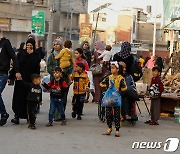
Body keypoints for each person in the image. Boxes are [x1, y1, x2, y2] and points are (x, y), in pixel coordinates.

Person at [11, 38, 41, 124]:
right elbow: (17, 65)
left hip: (30, 81)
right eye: (27, 46)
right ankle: (17, 116)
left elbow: (35, 65)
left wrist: (31, 55)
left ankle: (30, 116)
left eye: (31, 46)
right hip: (21, 80)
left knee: (30, 100)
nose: (28, 47)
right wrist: (12, 76)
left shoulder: (36, 55)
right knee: (18, 98)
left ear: (34, 46)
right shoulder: (21, 54)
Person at [100, 61, 127, 137]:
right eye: (111, 68)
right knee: (108, 113)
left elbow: (125, 88)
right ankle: (109, 127)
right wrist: (107, 86)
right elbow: (101, 83)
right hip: (109, 97)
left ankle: (117, 129)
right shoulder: (109, 77)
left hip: (117, 98)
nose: (112, 70)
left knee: (117, 114)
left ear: (117, 69)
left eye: (113, 68)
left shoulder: (121, 78)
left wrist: (119, 89)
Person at [47, 39, 70, 121]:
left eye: (58, 44)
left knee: (63, 98)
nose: (56, 46)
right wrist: (55, 72)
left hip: (64, 80)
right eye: (55, 44)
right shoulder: (51, 56)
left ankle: (61, 114)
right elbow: (48, 67)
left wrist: (63, 72)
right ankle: (55, 115)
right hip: (54, 80)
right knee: (54, 97)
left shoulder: (66, 55)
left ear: (61, 46)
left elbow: (70, 66)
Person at [0, 37, 21, 126]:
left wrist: (17, 71)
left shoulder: (5, 43)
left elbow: (13, 57)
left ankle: (4, 114)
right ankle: (4, 114)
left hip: (2, 74)